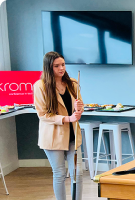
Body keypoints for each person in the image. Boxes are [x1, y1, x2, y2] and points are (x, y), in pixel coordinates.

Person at [33, 51, 84, 200]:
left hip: (73, 134)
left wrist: (79, 108)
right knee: (60, 173)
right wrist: (68, 118)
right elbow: (43, 115)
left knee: (78, 173)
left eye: (63, 64)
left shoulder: (72, 82)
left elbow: (79, 108)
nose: (61, 68)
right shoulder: (40, 86)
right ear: (49, 67)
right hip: (53, 136)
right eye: (57, 66)